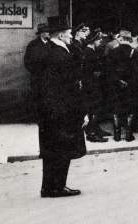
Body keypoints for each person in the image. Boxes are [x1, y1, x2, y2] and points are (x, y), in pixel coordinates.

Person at [40, 16, 86, 198]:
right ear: (60, 35)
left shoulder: (48, 51)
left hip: (50, 110)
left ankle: (49, 186)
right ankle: (58, 187)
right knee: (62, 149)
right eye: (68, 33)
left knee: (51, 150)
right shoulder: (61, 56)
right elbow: (71, 88)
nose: (71, 36)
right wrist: (81, 111)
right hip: (63, 110)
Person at [106, 30, 137, 142]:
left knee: (116, 109)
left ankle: (117, 135)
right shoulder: (134, 52)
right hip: (131, 85)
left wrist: (118, 80)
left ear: (121, 39)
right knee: (130, 110)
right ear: (129, 39)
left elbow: (108, 70)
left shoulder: (113, 51)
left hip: (116, 84)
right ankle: (129, 135)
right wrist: (129, 82)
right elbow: (137, 70)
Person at [82, 29, 108, 142]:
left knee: (96, 107)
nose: (101, 41)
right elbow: (88, 70)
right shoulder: (88, 52)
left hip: (94, 83)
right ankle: (92, 133)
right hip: (91, 84)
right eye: (99, 39)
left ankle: (96, 129)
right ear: (93, 40)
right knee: (93, 108)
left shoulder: (93, 50)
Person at [24, 23, 50, 124]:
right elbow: (27, 61)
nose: (49, 33)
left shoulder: (50, 44)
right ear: (41, 33)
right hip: (37, 78)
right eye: (47, 32)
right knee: (37, 98)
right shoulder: (33, 45)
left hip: (49, 77)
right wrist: (36, 72)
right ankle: (37, 118)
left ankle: (46, 118)